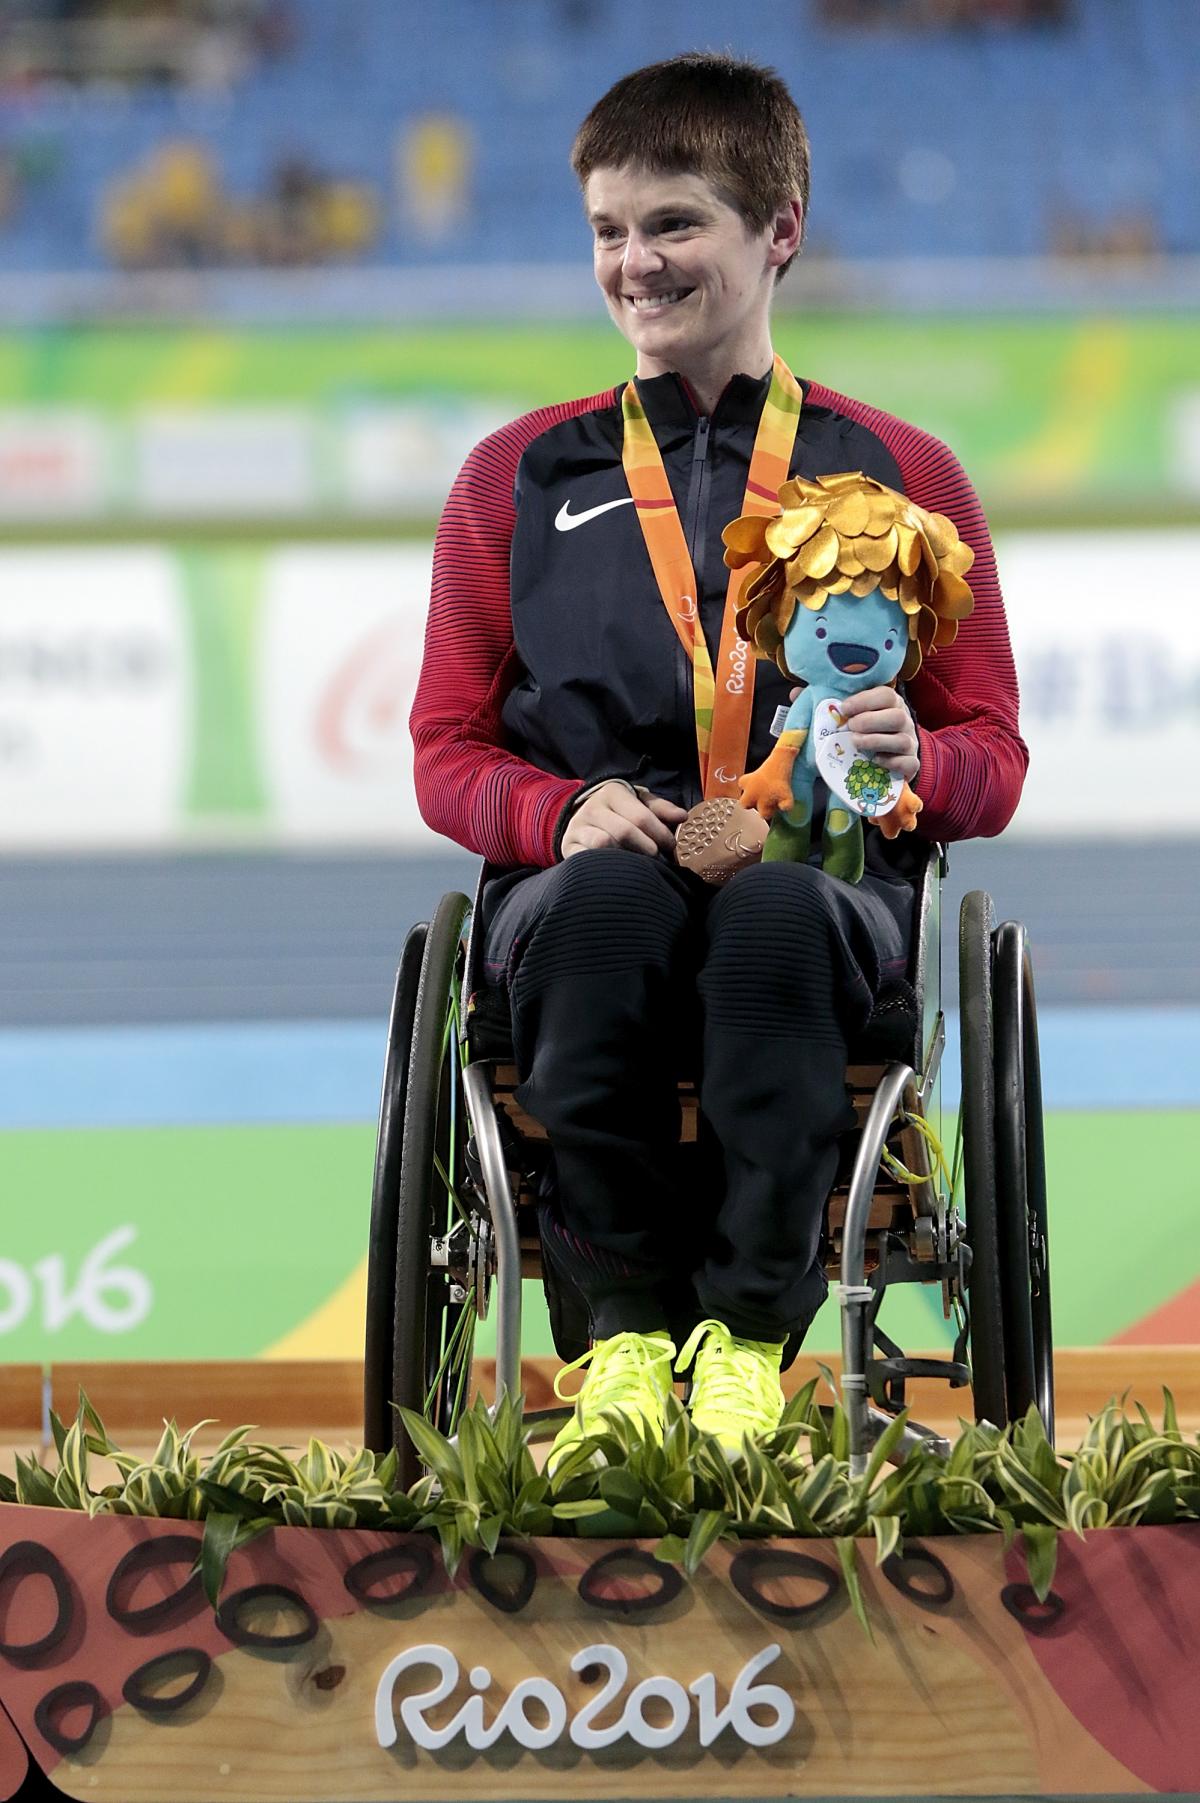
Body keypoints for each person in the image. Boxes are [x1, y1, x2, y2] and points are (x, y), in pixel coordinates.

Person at [410, 53, 1026, 1457]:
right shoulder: (513, 479)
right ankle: (621, 1343)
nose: (635, 263)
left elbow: (995, 756)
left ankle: (748, 1346)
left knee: (772, 917)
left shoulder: (902, 476)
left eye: (674, 223)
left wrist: (913, 756)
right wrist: (555, 811)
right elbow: (445, 753)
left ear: (780, 232)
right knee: (607, 904)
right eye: (608, 231)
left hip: (813, 898)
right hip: (588, 898)